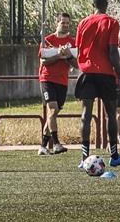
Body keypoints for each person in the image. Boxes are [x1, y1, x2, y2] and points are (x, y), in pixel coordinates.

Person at [74, 0, 120, 169]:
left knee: (86, 114)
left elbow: (79, 49)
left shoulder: (83, 23)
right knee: (110, 114)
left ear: (93, 4)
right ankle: (114, 155)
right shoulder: (112, 23)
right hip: (105, 73)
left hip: (86, 73)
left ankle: (84, 158)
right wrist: (119, 76)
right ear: (107, 4)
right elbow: (112, 51)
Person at [37, 13, 76, 155]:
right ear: (57, 23)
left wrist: (68, 56)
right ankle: (56, 143)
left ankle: (43, 146)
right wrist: (58, 55)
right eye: (62, 23)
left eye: (67, 23)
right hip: (47, 79)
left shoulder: (72, 42)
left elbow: (76, 63)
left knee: (52, 114)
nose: (65, 25)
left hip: (62, 81)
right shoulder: (47, 40)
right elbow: (43, 61)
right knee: (52, 110)